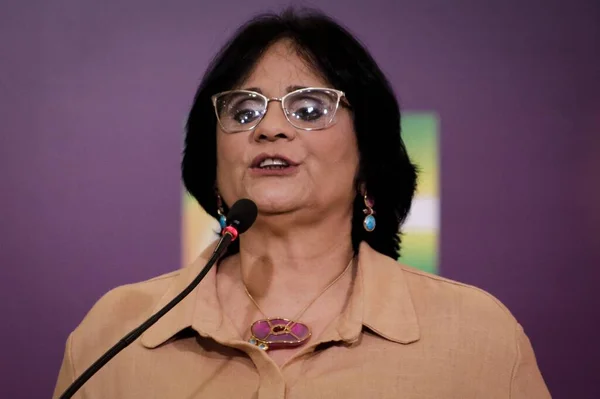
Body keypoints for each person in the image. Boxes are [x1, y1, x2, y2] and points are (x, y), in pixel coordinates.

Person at [53, 8, 551, 399]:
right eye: (244, 110)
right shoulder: (117, 331)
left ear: (368, 156)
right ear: (213, 164)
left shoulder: (477, 338)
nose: (269, 128)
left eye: (309, 108)